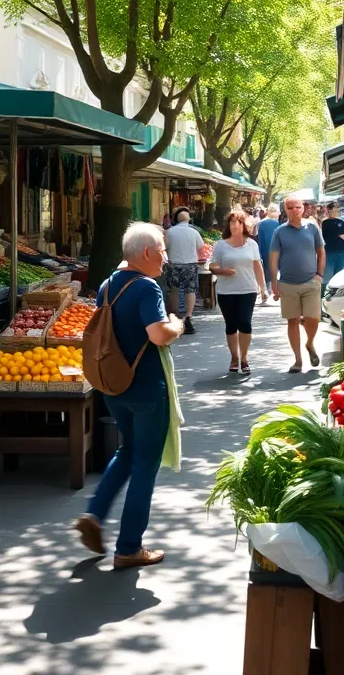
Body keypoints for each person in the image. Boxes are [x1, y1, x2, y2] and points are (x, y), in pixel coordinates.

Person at [74, 223, 184, 569]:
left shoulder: (108, 284)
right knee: (144, 467)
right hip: (147, 389)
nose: (165, 259)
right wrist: (178, 324)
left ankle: (94, 512)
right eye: (163, 251)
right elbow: (158, 334)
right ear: (147, 254)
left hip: (113, 385)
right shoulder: (146, 287)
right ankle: (129, 547)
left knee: (127, 452)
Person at [269, 197, 326, 373]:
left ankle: (309, 343)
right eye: (290, 207)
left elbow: (321, 252)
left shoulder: (312, 228)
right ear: (285, 210)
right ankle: (298, 360)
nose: (294, 210)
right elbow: (273, 259)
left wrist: (319, 275)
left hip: (310, 281)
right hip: (287, 283)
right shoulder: (279, 232)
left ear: (303, 209)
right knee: (292, 321)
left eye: (298, 207)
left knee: (313, 318)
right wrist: (274, 282)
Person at [210, 212, 268, 375]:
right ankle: (234, 357)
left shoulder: (251, 244)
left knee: (245, 323)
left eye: (238, 223)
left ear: (244, 226)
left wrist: (263, 288)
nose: (235, 226)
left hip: (247, 289)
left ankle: (244, 358)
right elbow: (212, 267)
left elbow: (257, 267)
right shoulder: (221, 245)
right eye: (232, 223)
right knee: (231, 325)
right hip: (226, 291)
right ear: (228, 226)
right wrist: (222, 271)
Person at [164, 206, 204, 334]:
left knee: (174, 290)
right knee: (190, 290)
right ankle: (188, 315)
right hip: (190, 264)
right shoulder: (194, 232)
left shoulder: (170, 232)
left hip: (174, 264)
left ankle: (174, 316)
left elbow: (165, 247)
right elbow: (201, 247)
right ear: (188, 219)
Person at [321, 201, 344, 295]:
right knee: (328, 276)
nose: (337, 210)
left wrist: (342, 236)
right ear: (329, 210)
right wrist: (341, 235)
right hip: (330, 253)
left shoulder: (341, 222)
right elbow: (338, 235)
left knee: (338, 276)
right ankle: (323, 296)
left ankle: (336, 295)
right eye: (335, 208)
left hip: (342, 252)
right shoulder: (325, 223)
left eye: (338, 208)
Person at [257, 203, 280, 277]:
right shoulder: (278, 224)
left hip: (264, 252)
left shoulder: (261, 223)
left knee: (267, 274)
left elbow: (259, 239)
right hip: (276, 252)